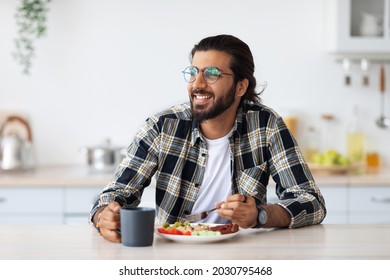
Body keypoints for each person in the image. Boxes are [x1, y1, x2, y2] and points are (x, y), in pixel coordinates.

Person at [90, 34, 326, 243]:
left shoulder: (266, 126)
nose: (198, 84)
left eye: (212, 74)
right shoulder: (162, 127)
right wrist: (104, 216)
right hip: (173, 251)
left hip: (243, 252)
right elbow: (117, 193)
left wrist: (261, 215)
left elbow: (312, 202)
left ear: (241, 86)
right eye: (193, 73)